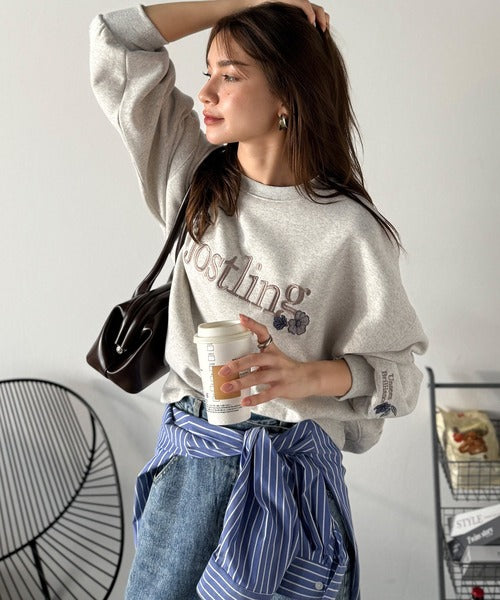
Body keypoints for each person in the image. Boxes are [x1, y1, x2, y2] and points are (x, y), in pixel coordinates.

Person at [89, 1, 428, 598]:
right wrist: (246, 1)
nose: (206, 92)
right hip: (194, 464)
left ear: (286, 96)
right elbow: (117, 40)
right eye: (208, 71)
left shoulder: (350, 233)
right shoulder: (192, 174)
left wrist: (304, 377)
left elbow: (400, 382)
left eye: (230, 75)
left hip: (294, 484)